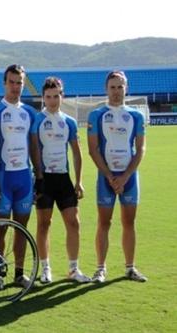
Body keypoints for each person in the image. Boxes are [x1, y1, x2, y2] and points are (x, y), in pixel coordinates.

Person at [87, 70, 147, 283]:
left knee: (129, 222)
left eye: (120, 87)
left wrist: (125, 176)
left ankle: (130, 268)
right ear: (106, 89)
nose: (116, 91)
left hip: (129, 178)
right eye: (112, 87)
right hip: (106, 177)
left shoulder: (137, 115)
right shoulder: (96, 115)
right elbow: (93, 150)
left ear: (126, 88)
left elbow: (140, 149)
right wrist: (110, 176)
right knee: (105, 222)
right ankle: (100, 269)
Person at [31, 77, 90, 284]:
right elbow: (34, 150)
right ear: (43, 98)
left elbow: (76, 153)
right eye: (48, 97)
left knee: (74, 223)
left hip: (64, 180)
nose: (53, 100)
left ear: (62, 96)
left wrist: (79, 181)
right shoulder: (37, 120)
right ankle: (45, 268)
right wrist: (37, 177)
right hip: (44, 179)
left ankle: (74, 269)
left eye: (56, 96)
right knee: (44, 224)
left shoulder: (69, 122)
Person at [0, 64, 38, 289]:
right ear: (4, 83)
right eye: (12, 82)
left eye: (20, 83)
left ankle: (19, 273)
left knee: (21, 227)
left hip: (24, 178)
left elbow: (34, 147)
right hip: (2, 178)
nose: (16, 87)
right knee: (0, 227)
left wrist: (40, 176)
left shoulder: (30, 113)